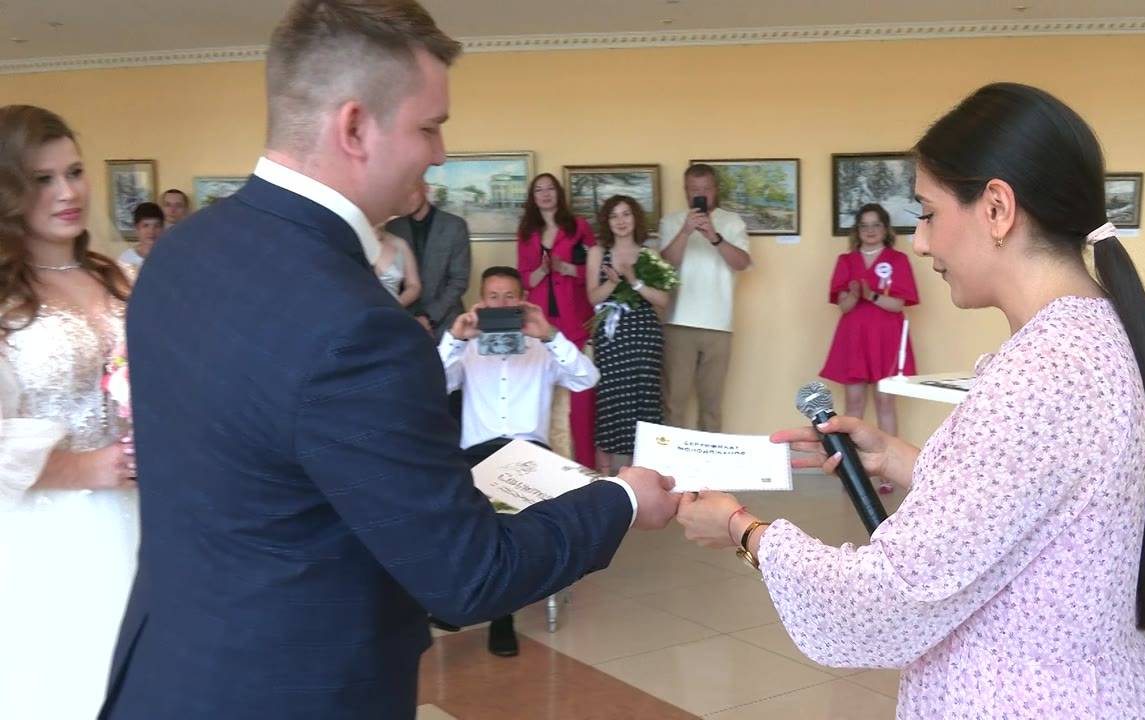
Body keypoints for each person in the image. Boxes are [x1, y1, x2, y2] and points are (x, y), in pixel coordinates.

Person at [101, 3, 680, 719]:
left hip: (163, 672)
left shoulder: (180, 253)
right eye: (429, 127)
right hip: (294, 691)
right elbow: (471, 576)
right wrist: (623, 499)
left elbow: (274, 460)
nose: (440, 153)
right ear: (353, 127)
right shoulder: (360, 325)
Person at [676, 83, 1145, 719]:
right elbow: (1034, 501)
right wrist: (897, 457)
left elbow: (890, 596)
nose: (920, 242)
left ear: (996, 208)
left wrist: (742, 529)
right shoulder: (1095, 331)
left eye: (928, 213)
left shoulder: (1042, 374)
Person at [0, 104, 138, 720]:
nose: (68, 192)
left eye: (75, 172)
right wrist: (89, 468)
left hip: (142, 510)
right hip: (46, 532)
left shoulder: (116, 278)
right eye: (43, 179)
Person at [439, 266, 601, 657]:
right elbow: (430, 383)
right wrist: (454, 339)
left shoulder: (543, 346)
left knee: (505, 521)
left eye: (509, 296)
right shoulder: (468, 348)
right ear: (480, 301)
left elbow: (587, 378)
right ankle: (452, 596)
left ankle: (501, 616)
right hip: (476, 451)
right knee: (448, 510)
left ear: (523, 299)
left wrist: (550, 335)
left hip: (528, 451)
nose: (501, 304)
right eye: (492, 297)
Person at [819, 202, 918, 493]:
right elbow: (844, 307)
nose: (870, 230)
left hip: (887, 338)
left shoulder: (898, 260)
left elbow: (897, 304)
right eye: (864, 225)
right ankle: (853, 470)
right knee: (854, 405)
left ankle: (889, 471)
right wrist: (853, 295)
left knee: (885, 402)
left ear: (885, 229)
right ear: (857, 230)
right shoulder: (846, 260)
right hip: (854, 338)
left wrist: (870, 294)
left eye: (876, 225)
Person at [658, 163, 751, 432]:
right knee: (673, 402)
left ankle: (710, 458)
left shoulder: (732, 222)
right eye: (693, 189)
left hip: (719, 324)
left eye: (706, 188)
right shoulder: (671, 221)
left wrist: (715, 237)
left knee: (711, 404)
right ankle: (670, 458)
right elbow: (665, 265)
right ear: (685, 191)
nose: (700, 194)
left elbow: (742, 263)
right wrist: (685, 232)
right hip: (678, 321)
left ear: (715, 190)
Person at [516, 172, 597, 467]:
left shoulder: (578, 226)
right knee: (541, 397)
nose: (545, 194)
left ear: (558, 193)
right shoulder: (526, 231)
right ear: (533, 197)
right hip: (540, 323)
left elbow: (595, 268)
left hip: (576, 319)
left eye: (550, 188)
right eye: (539, 190)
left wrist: (567, 268)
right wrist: (541, 270)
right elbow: (523, 277)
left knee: (582, 398)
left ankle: (586, 466)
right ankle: (544, 467)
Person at [586, 195, 668, 474]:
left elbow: (663, 300)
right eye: (614, 216)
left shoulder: (650, 254)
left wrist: (634, 282)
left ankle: (638, 478)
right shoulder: (598, 252)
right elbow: (592, 297)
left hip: (644, 337)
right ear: (607, 221)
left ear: (635, 218)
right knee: (610, 402)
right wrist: (612, 283)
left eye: (626, 214)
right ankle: (604, 477)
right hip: (612, 338)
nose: (621, 221)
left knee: (644, 404)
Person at [386, 178, 471, 336]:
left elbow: (459, 281)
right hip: (404, 319)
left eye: (412, 191)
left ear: (425, 188)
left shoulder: (455, 226)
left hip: (447, 320)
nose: (407, 198)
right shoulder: (393, 228)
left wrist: (428, 317)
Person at [372, 220, 422, 308]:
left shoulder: (399, 244)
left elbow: (414, 286)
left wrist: (394, 306)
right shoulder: (351, 243)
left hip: (392, 310)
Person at [117, 201, 165, 268]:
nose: (151, 231)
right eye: (146, 226)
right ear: (137, 229)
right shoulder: (125, 259)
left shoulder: (170, 257)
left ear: (163, 228)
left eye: (156, 226)